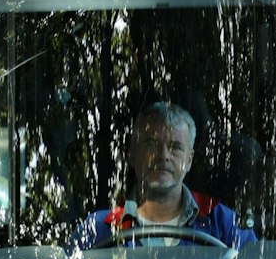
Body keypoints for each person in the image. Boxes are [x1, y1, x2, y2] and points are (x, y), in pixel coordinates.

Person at [76, 102, 256, 250]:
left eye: (175, 147)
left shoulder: (222, 223)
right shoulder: (98, 229)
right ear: (132, 155)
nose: (163, 156)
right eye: (152, 145)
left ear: (189, 160)